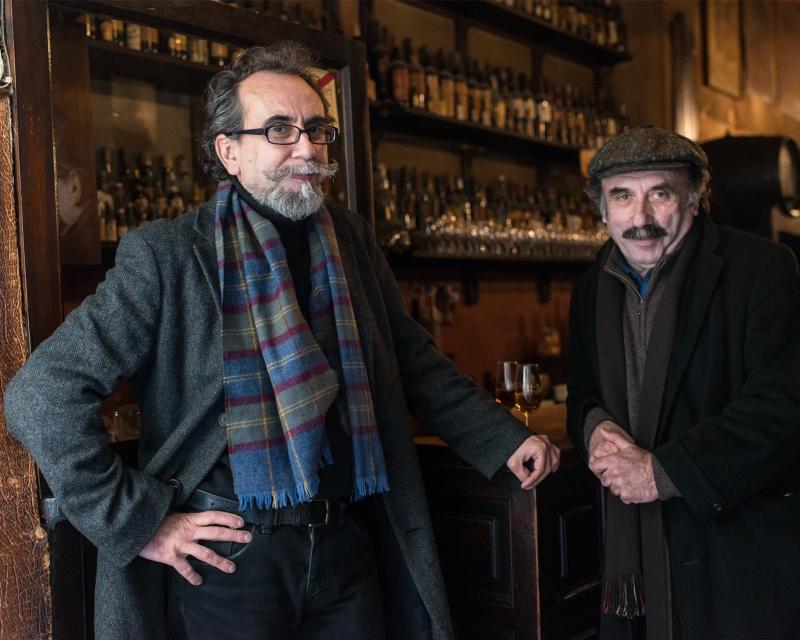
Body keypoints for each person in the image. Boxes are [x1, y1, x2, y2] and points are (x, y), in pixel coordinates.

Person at [4, 42, 560, 640]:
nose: (308, 148)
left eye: (317, 129)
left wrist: (503, 437)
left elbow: (411, 362)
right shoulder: (168, 254)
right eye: (279, 130)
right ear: (230, 152)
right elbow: (40, 394)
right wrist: (140, 522)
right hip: (228, 558)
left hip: (348, 539)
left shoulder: (348, 239)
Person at [565, 125, 800, 640]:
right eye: (623, 197)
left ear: (695, 199)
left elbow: (784, 407)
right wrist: (593, 426)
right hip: (650, 553)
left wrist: (661, 471)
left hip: (750, 549)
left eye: (661, 193)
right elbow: (582, 388)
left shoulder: (762, 269)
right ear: (602, 210)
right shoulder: (590, 290)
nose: (642, 218)